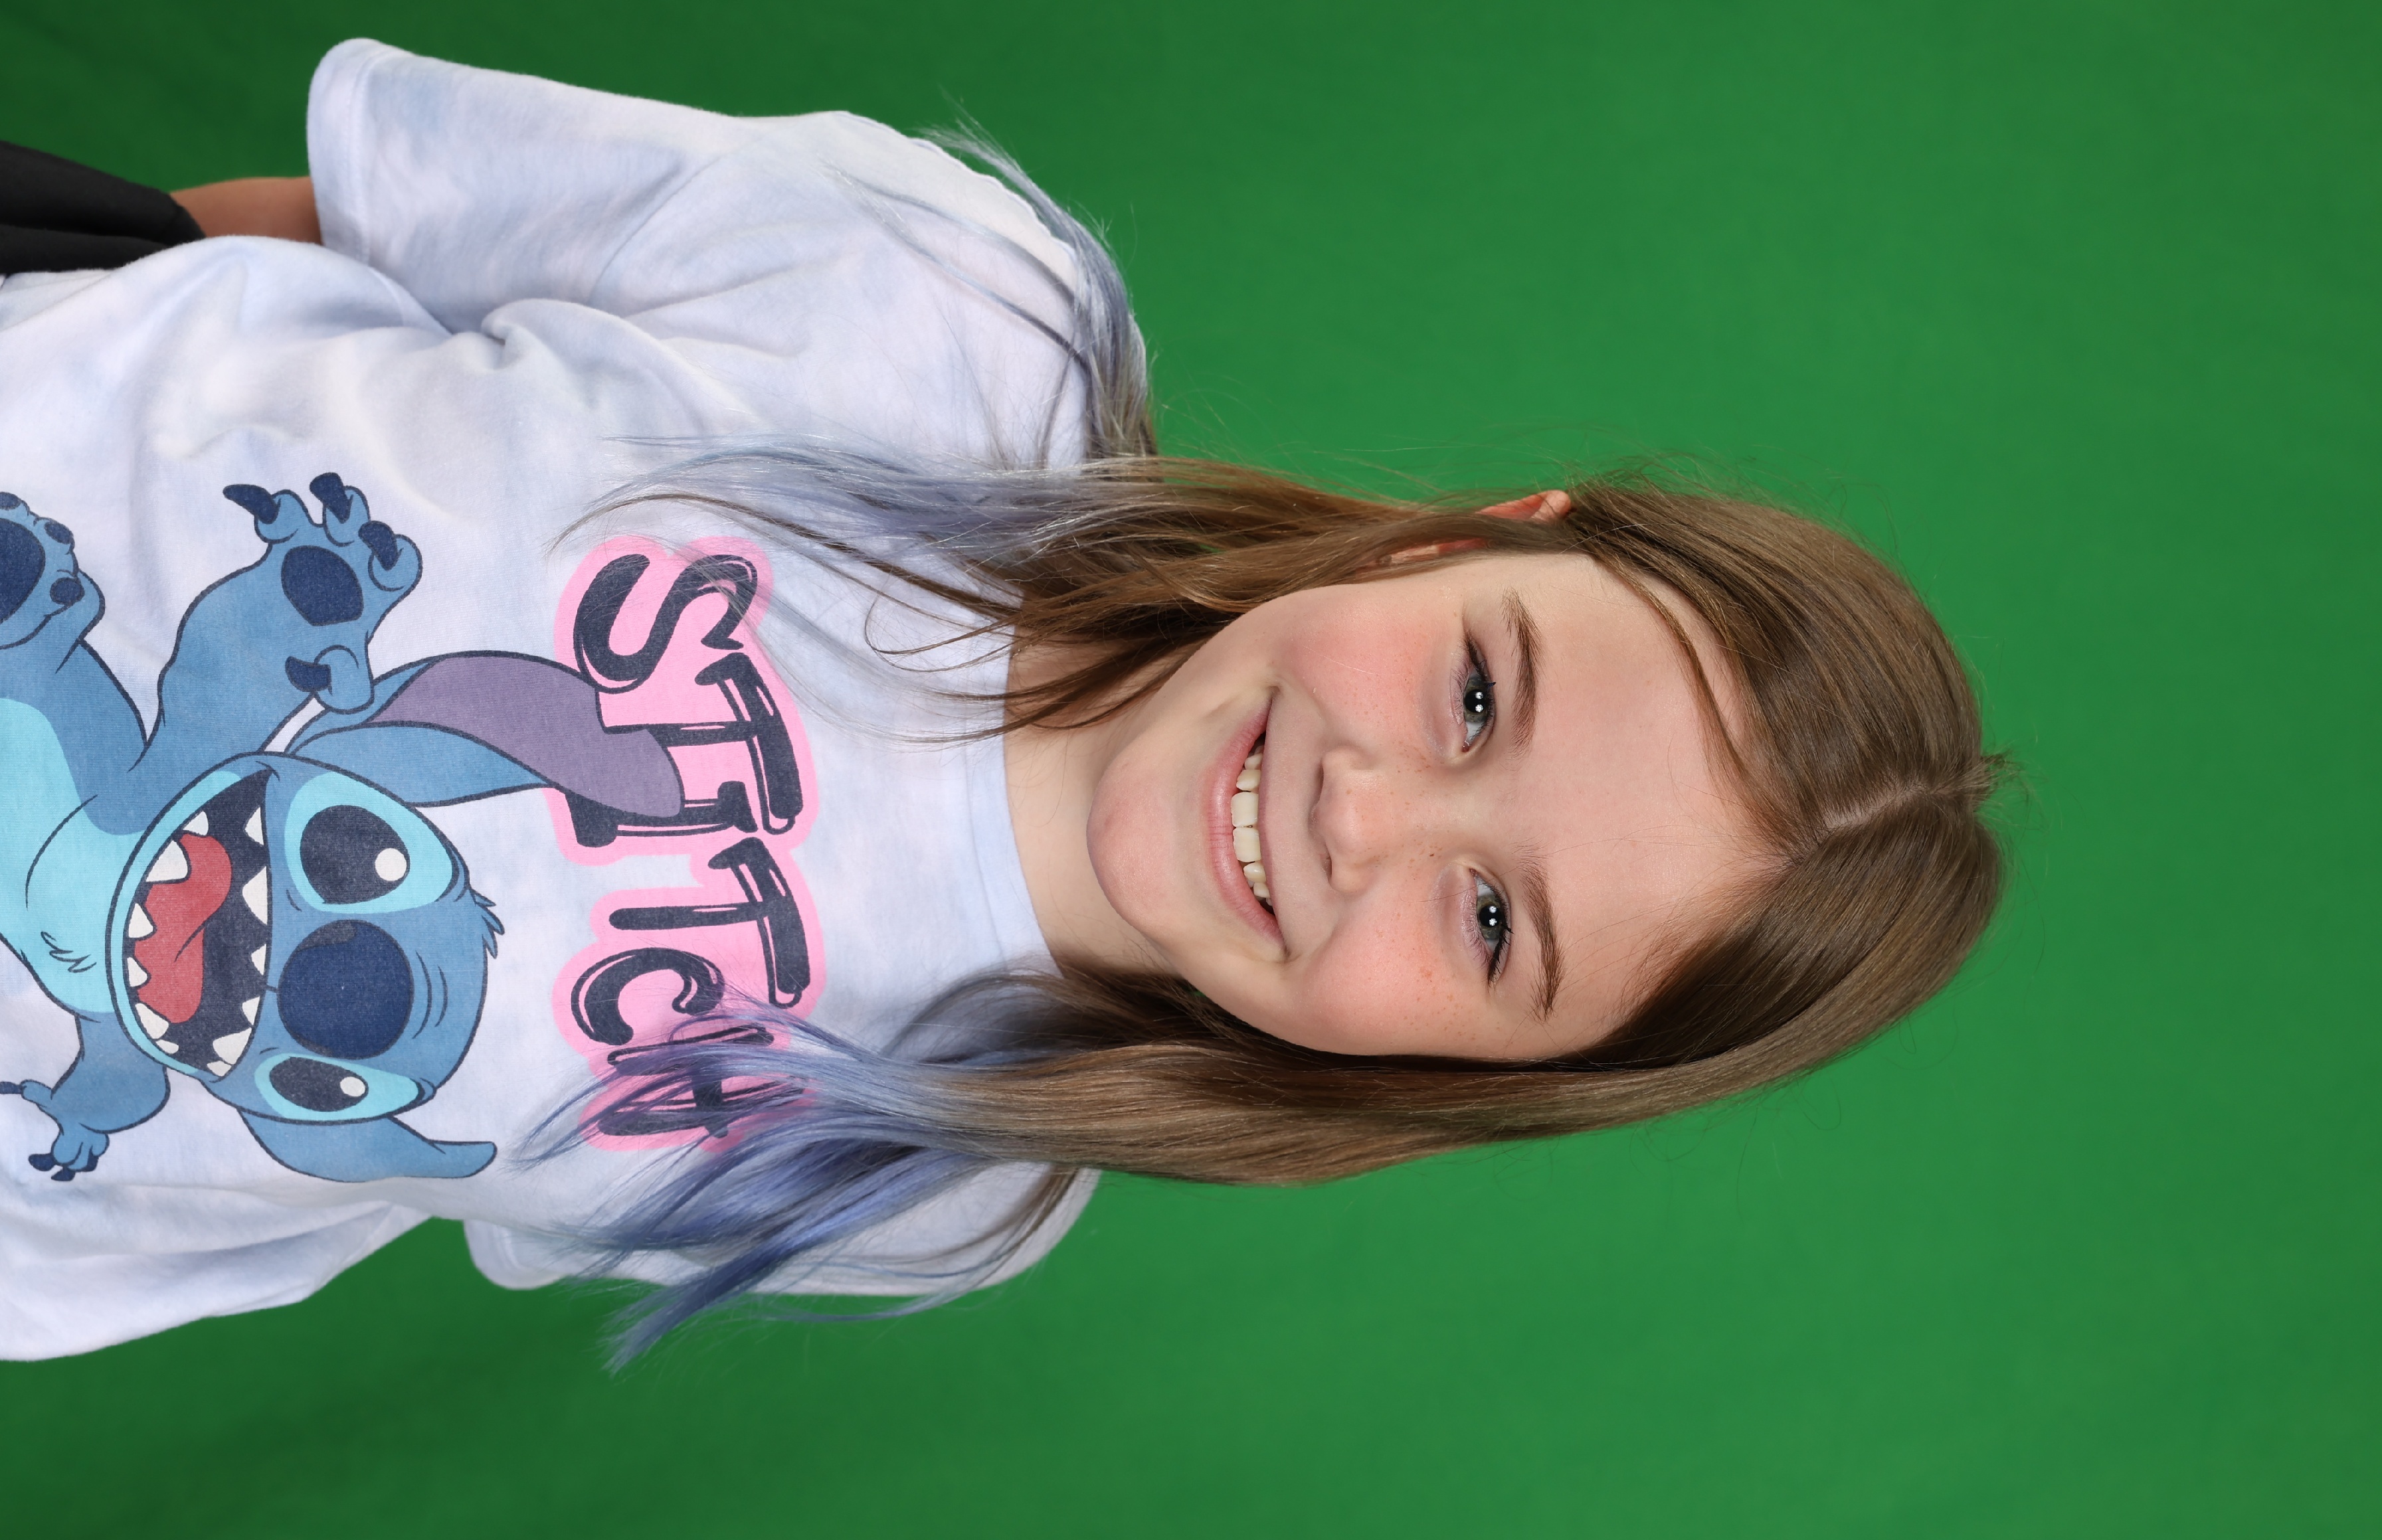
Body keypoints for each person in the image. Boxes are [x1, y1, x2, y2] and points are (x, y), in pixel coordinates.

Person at [0, 41, 2003, 1363]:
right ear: (1468, 539)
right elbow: (298, 236)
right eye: (1479, 694)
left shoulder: (944, 1185)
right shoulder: (949, 310)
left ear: (1472, 1078)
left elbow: (378, 1168)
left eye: (1489, 923)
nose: (1363, 816)